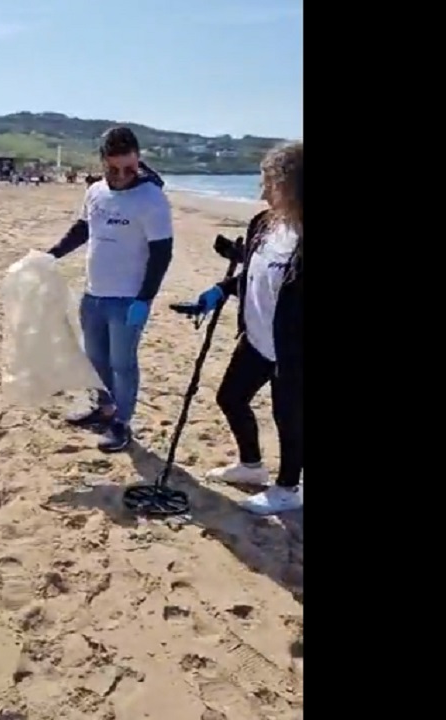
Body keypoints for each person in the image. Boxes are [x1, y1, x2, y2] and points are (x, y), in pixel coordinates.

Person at [183, 141, 303, 514]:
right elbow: (252, 277)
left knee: (289, 416)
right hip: (256, 338)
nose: (263, 190)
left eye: (271, 182)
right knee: (230, 398)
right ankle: (251, 466)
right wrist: (220, 290)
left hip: (293, 349)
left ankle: (288, 488)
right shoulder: (262, 225)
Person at [45, 126, 174, 452]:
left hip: (128, 298)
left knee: (122, 363)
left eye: (128, 169)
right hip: (94, 294)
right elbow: (83, 228)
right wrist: (53, 254)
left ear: (139, 160)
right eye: (112, 169)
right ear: (102, 162)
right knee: (96, 359)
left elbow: (162, 253)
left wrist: (145, 298)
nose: (120, 176)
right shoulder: (95, 192)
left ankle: (121, 422)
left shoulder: (152, 199)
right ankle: (102, 408)